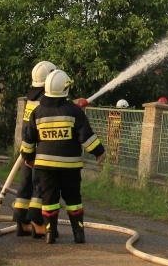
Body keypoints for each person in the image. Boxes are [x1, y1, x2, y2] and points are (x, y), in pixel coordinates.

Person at [21, 69, 105, 244]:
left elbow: (28, 138)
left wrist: (27, 157)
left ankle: (50, 234)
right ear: (64, 89)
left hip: (45, 166)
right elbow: (85, 135)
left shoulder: (37, 112)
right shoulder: (73, 110)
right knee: (73, 198)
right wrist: (98, 151)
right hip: (70, 166)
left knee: (49, 199)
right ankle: (78, 233)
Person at [14, 61, 57, 238]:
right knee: (40, 187)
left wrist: (27, 153)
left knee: (25, 185)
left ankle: (22, 222)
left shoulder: (32, 100)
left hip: (27, 150)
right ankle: (37, 224)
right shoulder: (43, 102)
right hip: (40, 151)